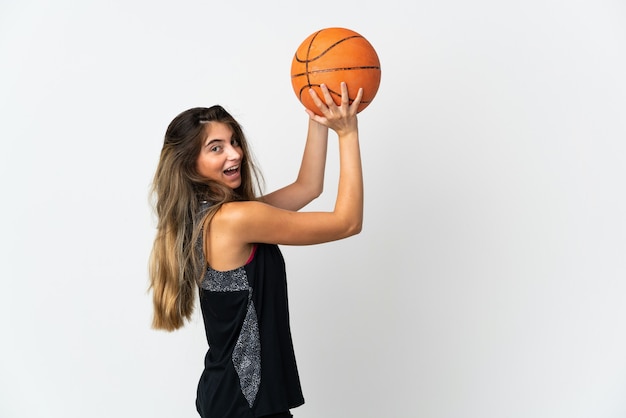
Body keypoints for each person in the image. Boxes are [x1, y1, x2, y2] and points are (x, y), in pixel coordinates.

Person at [148, 82, 364, 418]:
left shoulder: (213, 218)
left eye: (234, 142)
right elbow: (348, 222)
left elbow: (308, 187)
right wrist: (348, 135)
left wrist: (318, 116)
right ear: (190, 164)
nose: (235, 153)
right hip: (245, 407)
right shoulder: (237, 219)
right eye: (216, 148)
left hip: (228, 400)